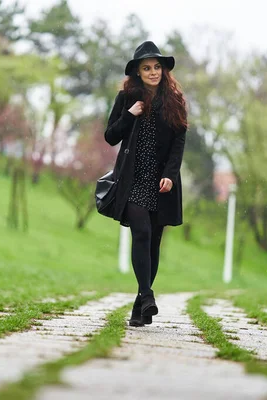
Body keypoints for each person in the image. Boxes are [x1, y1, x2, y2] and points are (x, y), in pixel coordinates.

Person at [104, 41, 188, 327]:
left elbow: (179, 142)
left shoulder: (175, 101)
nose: (153, 72)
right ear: (137, 72)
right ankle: (148, 293)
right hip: (133, 179)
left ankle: (140, 307)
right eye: (146, 68)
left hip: (161, 182)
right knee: (141, 232)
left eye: (156, 67)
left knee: (153, 243)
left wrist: (171, 174)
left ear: (163, 70)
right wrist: (130, 114)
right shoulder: (126, 98)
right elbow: (111, 136)